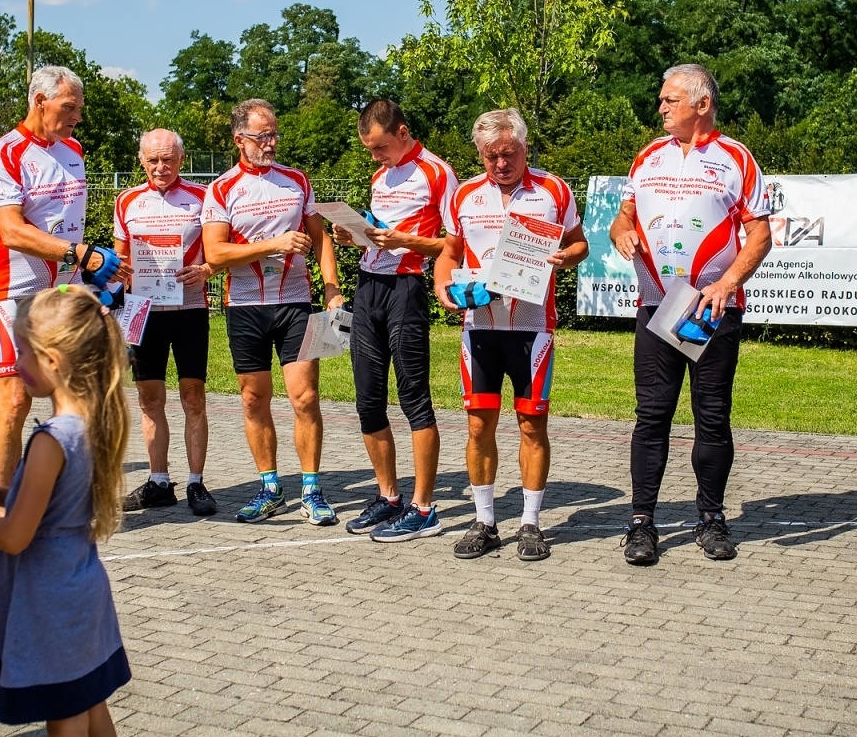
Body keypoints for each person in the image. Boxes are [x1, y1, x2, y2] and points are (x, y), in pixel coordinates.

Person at [0, 285, 130, 737]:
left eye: (22, 351)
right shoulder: (93, 421)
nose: (15, 362)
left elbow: (15, 536)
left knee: (64, 725)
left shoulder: (50, 439)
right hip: (82, 587)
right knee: (92, 709)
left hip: (50, 597)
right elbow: (57, 502)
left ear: (53, 360)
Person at [609, 64, 773, 567]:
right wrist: (620, 234)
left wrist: (727, 283)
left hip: (710, 308)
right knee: (651, 417)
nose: (660, 107)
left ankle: (711, 517)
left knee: (712, 417)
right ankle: (641, 523)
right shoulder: (647, 157)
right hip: (657, 305)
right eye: (662, 100)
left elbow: (761, 236)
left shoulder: (736, 159)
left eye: (670, 100)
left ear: (702, 104)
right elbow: (624, 217)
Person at [434, 108, 588, 562]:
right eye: (490, 156)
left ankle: (531, 523)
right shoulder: (464, 194)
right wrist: (443, 287)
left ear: (525, 147)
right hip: (479, 328)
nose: (500, 164)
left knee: (531, 425)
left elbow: (579, 243)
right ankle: (484, 521)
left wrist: (567, 258)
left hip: (532, 329)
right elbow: (450, 252)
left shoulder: (553, 189)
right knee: (479, 426)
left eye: (509, 154)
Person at [202, 99, 345, 525]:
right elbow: (215, 252)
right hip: (245, 307)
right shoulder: (222, 189)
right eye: (263, 136)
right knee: (253, 399)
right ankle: (269, 487)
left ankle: (312, 489)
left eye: (274, 133)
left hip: (295, 304)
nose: (272, 142)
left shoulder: (296, 180)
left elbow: (320, 240)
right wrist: (274, 244)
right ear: (239, 140)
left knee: (305, 397)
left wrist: (332, 291)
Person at [0, 66, 124, 487]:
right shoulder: (5, 152)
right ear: (40, 102)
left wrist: (91, 271)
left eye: (79, 108)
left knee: (80, 389)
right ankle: (5, 504)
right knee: (15, 400)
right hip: (14, 289)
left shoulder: (73, 149)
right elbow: (10, 230)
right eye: (69, 107)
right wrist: (78, 252)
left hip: (64, 288)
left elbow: (67, 225)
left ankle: (66, 491)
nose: (77, 116)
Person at [328, 100, 458, 542]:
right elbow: (376, 235)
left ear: (403, 133)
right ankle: (389, 497)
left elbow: (453, 244)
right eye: (370, 149)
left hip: (407, 289)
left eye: (381, 147)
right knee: (367, 399)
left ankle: (424, 508)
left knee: (413, 398)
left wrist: (406, 240)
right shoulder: (380, 177)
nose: (375, 157)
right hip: (369, 287)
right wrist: (353, 236)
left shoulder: (437, 172)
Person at [114, 129, 217, 516]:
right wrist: (119, 272)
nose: (161, 167)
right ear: (142, 160)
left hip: (188, 309)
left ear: (181, 159)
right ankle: (159, 480)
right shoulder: (127, 200)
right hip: (142, 310)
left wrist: (206, 269)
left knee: (193, 397)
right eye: (153, 160)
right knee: (149, 399)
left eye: (168, 159)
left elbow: (218, 250)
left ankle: (195, 482)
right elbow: (120, 257)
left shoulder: (203, 198)